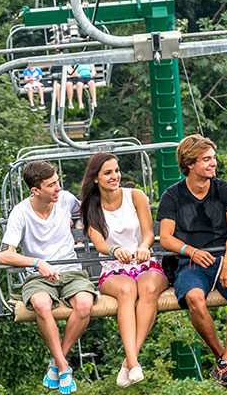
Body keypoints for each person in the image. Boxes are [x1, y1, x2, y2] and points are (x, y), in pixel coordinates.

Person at [157, 134, 227, 391]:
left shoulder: (225, 190)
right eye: (206, 159)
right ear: (190, 164)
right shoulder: (173, 196)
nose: (213, 163)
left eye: (213, 158)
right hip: (189, 263)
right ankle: (224, 358)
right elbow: (165, 237)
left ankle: (226, 361)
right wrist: (191, 251)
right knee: (194, 299)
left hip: (224, 258)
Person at [0, 161, 96, 394]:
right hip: (39, 276)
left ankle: (57, 362)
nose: (58, 188)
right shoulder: (21, 213)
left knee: (84, 304)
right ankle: (64, 365)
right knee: (41, 303)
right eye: (51, 185)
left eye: (57, 182)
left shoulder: (65, 199)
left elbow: (91, 209)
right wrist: (37, 262)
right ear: (36, 190)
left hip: (70, 269)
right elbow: (4, 256)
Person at [79, 153, 168, 387]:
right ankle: (133, 361)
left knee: (148, 288)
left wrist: (143, 247)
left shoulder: (135, 196)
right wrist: (114, 250)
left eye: (116, 171)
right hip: (114, 267)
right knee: (128, 291)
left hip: (143, 262)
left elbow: (149, 233)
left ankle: (130, 362)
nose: (115, 176)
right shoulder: (91, 206)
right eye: (108, 173)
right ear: (96, 178)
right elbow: (99, 243)